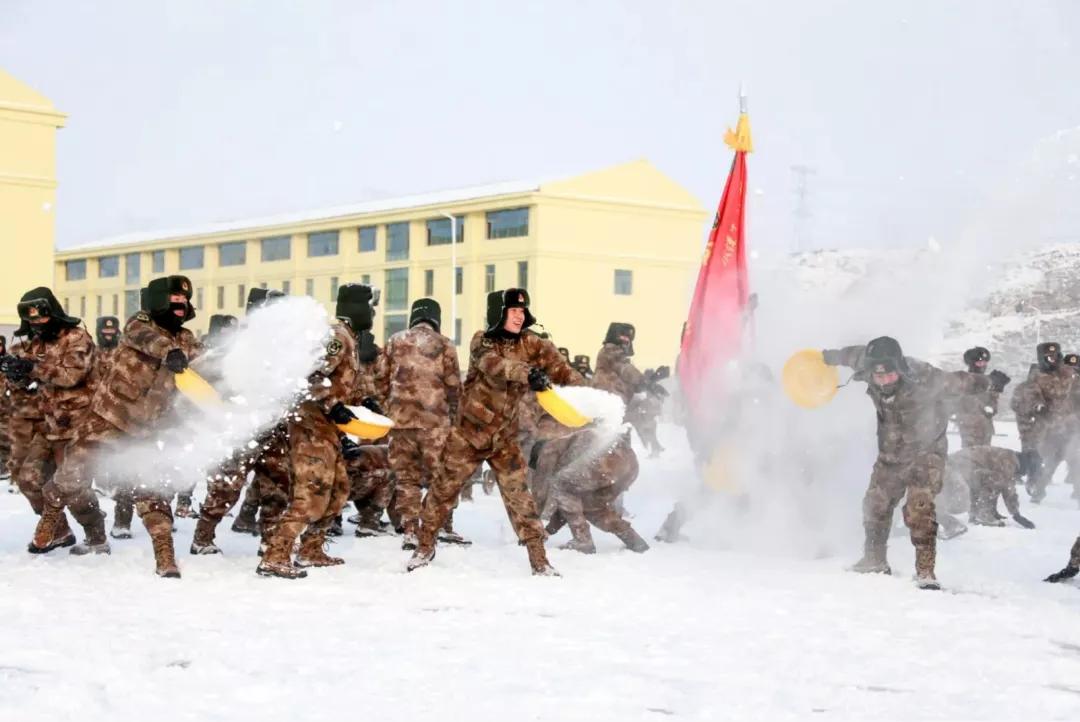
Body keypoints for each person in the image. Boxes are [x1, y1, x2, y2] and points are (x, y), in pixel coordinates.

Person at [33, 276, 202, 577]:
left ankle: (165, 554)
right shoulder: (140, 323)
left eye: (184, 301)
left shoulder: (187, 339)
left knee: (151, 490)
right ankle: (49, 518)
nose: (181, 305)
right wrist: (169, 352)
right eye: (174, 299)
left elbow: (204, 367)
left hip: (147, 429)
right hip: (107, 417)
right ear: (159, 300)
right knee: (72, 473)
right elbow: (145, 337)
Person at [407, 288, 584, 575]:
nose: (519, 316)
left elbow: (562, 370)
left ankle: (539, 560)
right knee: (443, 491)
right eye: (512, 311)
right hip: (468, 436)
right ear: (498, 314)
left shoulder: (533, 344)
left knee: (520, 497)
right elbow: (494, 365)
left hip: (503, 438)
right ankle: (424, 546)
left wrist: (587, 394)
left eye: (522, 311)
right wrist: (529, 374)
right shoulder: (482, 340)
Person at [821, 336, 1003, 590]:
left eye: (890, 376)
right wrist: (825, 358)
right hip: (891, 454)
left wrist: (988, 382)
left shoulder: (927, 378)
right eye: (878, 377)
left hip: (926, 454)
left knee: (919, 508)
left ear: (900, 368)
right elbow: (849, 354)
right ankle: (874, 559)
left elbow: (964, 381)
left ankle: (925, 571)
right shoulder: (867, 362)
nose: (883, 381)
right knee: (875, 504)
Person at [256, 284, 362, 578]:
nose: (373, 313)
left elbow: (340, 382)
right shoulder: (336, 336)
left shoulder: (349, 338)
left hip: (329, 431)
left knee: (339, 491)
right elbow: (309, 374)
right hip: (310, 428)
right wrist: (331, 405)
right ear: (355, 307)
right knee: (310, 495)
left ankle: (311, 549)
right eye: (369, 306)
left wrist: (363, 401)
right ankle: (275, 555)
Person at [3, 289, 95, 548]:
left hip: (76, 424)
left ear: (52, 312)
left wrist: (32, 368)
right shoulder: (30, 343)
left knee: (74, 489)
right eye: (30, 317)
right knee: (28, 480)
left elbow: (71, 375)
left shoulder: (77, 337)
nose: (36, 322)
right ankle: (60, 531)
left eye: (41, 316)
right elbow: (22, 384)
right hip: (45, 424)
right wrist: (15, 371)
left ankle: (95, 532)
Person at [380, 298, 461, 549]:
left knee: (406, 478)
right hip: (434, 424)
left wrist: (389, 410)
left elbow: (381, 380)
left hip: (400, 423)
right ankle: (441, 524)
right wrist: (455, 416)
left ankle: (410, 529)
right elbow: (454, 385)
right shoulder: (444, 344)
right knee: (443, 476)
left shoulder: (394, 341)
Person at [543, 426, 649, 554]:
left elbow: (563, 498)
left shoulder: (551, 451)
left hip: (606, 462)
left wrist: (543, 528)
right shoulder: (571, 447)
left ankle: (582, 541)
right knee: (593, 507)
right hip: (628, 467)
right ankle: (634, 540)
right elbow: (570, 504)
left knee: (562, 484)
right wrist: (549, 530)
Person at [1023, 343, 1079, 503]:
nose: (1053, 359)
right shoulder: (1042, 376)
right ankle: (1038, 492)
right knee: (1050, 463)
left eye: (1055, 356)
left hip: (1071, 428)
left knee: (1075, 461)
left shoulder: (1072, 379)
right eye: (1049, 356)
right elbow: (1034, 395)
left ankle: (1078, 492)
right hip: (1051, 430)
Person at [944, 446, 1036, 528]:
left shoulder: (1009, 456)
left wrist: (994, 511)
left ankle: (977, 512)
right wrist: (1016, 514)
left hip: (955, 465)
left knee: (992, 478)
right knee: (996, 480)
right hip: (956, 467)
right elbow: (1009, 490)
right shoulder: (1009, 462)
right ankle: (983, 514)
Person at [952, 347, 1006, 448]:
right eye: (979, 362)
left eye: (985, 362)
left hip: (986, 428)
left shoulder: (987, 381)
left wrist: (995, 391)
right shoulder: (964, 379)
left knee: (984, 457)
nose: (983, 365)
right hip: (969, 427)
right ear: (972, 363)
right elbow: (964, 403)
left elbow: (992, 409)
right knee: (970, 457)